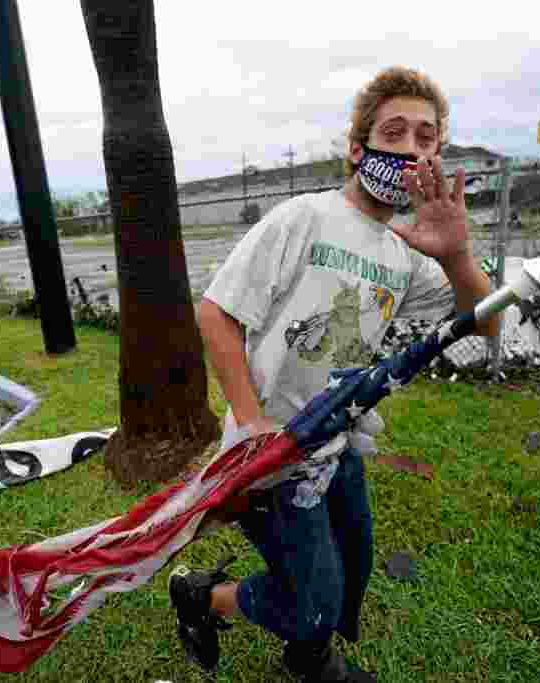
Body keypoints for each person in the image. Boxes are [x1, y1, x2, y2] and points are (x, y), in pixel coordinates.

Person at [169, 66, 501, 682]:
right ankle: (203, 598)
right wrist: (250, 422)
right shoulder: (304, 219)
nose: (409, 147)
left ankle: (306, 651)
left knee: (353, 565)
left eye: (425, 137)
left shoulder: (409, 248)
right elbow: (216, 313)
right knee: (316, 597)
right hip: (269, 455)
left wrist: (455, 254)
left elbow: (482, 325)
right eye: (393, 131)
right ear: (359, 147)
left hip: (335, 442)